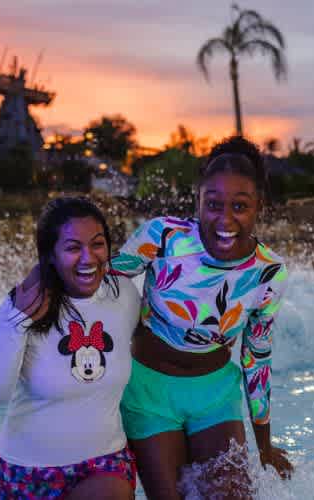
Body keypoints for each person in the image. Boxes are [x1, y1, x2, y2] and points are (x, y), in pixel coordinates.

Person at [111, 136, 293, 499]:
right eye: (213, 204)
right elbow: (103, 285)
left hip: (215, 396)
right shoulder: (163, 237)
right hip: (149, 392)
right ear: (198, 200)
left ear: (259, 205)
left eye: (239, 206)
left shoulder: (268, 272)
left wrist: (265, 447)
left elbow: (255, 357)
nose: (225, 219)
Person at [0, 197, 140, 499]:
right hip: (26, 473)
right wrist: (18, 321)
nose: (88, 258)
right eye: (73, 248)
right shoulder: (23, 304)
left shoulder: (124, 296)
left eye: (97, 244)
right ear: (50, 255)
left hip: (105, 464)